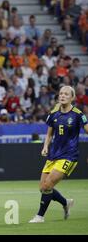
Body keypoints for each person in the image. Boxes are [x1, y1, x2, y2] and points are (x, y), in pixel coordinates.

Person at [29, 86, 88, 223]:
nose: (62, 96)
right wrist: (45, 146)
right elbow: (50, 133)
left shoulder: (78, 115)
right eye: (61, 93)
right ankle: (65, 202)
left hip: (69, 155)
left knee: (47, 186)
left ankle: (39, 216)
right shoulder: (54, 113)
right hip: (53, 154)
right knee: (42, 187)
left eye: (66, 94)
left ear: (72, 98)